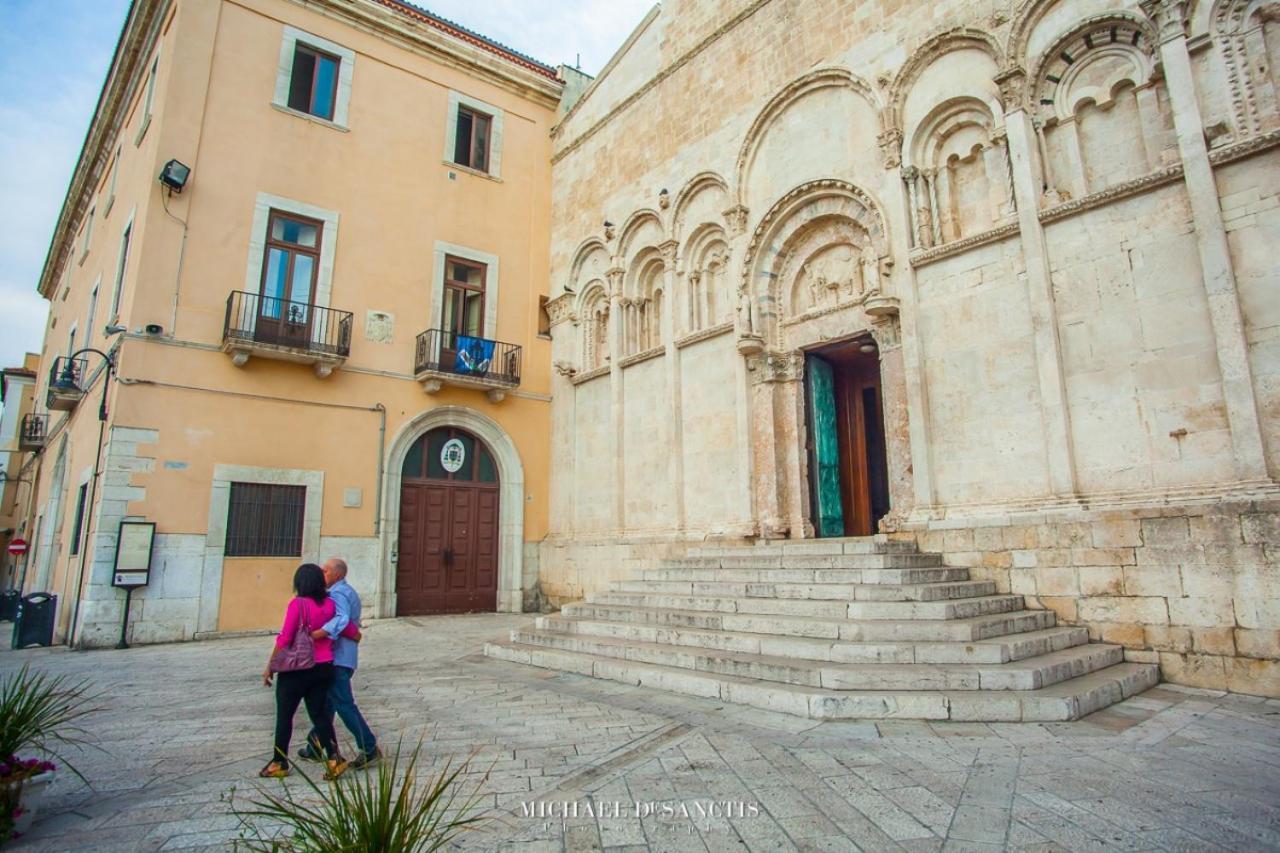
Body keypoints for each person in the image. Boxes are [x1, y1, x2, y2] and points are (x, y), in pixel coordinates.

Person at [259, 563, 352, 780]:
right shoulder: (329, 604)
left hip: (297, 668)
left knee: (285, 715)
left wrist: (271, 665)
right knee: (319, 715)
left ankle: (279, 761)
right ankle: (334, 757)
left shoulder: (298, 604)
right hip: (323, 666)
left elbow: (285, 638)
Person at [299, 557, 381, 769]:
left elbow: (341, 619)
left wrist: (319, 633)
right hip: (343, 656)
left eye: (325, 571)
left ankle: (369, 746)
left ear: (337, 574)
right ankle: (315, 746)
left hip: (337, 657)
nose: (321, 574)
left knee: (343, 703)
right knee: (328, 703)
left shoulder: (338, 594)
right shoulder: (344, 591)